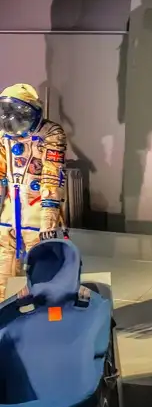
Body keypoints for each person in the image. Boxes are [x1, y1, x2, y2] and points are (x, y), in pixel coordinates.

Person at [0, 84, 67, 299]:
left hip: (37, 211)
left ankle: (44, 311)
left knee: (42, 272)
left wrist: (49, 219)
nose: (11, 119)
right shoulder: (4, 136)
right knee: (3, 272)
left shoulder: (51, 133)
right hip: (9, 212)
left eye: (17, 113)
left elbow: (52, 176)